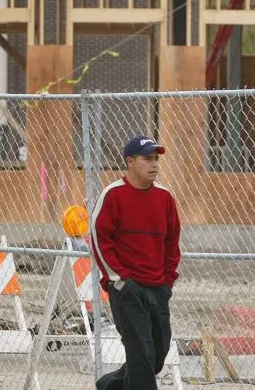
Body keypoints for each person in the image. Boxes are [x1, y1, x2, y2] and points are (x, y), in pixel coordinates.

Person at [90, 134, 182, 390]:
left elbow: (172, 241)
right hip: (127, 290)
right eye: (147, 159)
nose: (154, 164)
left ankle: (110, 386)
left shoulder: (164, 197)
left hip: (158, 288)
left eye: (156, 159)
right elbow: (99, 238)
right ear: (130, 161)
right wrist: (118, 280)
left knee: (158, 351)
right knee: (141, 354)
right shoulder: (113, 195)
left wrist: (167, 280)